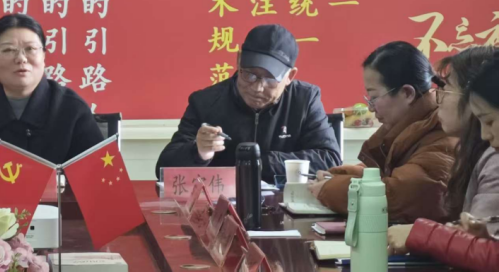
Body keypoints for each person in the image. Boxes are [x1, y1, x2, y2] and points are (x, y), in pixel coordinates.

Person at [155, 24, 340, 183]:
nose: (258, 88)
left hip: (285, 206)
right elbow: (163, 171)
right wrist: (198, 151)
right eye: (250, 75)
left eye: (270, 79)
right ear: (238, 60)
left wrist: (259, 162)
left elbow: (330, 160)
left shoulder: (305, 100)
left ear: (290, 76)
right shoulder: (205, 102)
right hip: (221, 208)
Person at [0, 14, 104, 182]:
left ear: (44, 55)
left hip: (56, 202)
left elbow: (101, 175)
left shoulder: (72, 110)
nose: (21, 58)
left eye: (30, 49)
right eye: (8, 50)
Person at [310, 41, 457, 223]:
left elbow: (400, 196)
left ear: (407, 93)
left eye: (373, 97)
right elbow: (393, 176)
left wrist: (329, 189)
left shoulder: (444, 129)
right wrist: (350, 175)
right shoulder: (413, 126)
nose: (371, 108)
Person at [387, 54, 499, 272]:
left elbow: (491, 258)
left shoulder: (494, 159)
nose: (485, 134)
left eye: (489, 120)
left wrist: (423, 234)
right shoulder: (473, 152)